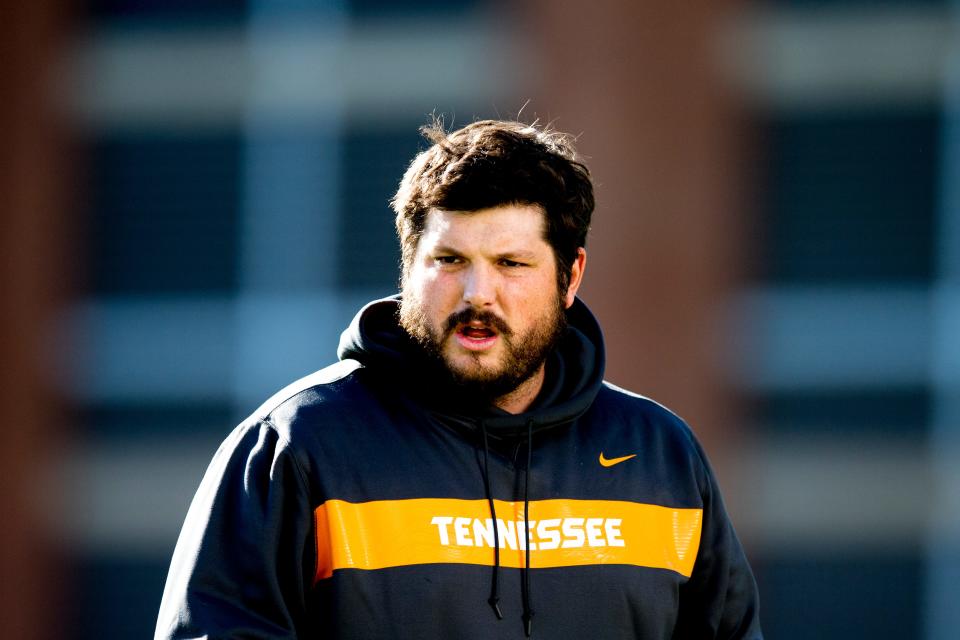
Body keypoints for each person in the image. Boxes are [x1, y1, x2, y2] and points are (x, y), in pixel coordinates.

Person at [155, 119, 762, 639]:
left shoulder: (661, 457)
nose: (478, 295)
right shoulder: (297, 447)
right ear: (409, 266)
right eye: (449, 261)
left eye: (511, 265)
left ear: (570, 276)